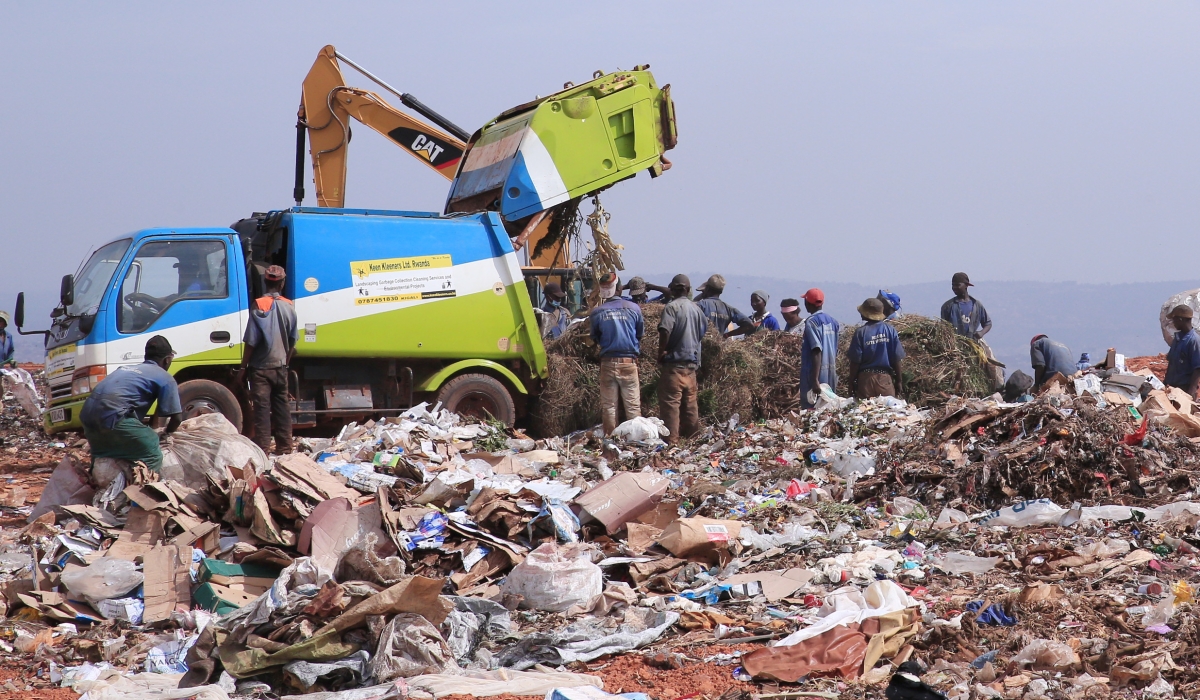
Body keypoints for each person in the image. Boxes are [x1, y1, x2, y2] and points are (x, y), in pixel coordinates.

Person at [79, 335, 181, 471]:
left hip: (87, 417)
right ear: (167, 360)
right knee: (152, 453)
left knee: (103, 455)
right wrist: (166, 434)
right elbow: (176, 418)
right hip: (113, 417)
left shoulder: (124, 369)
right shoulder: (165, 378)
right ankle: (140, 490)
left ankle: (97, 486)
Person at [237, 265, 298, 454]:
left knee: (262, 410)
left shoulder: (259, 305)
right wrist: (285, 362)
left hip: (260, 369)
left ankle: (263, 450)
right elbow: (293, 342)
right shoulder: (289, 306)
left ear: (265, 281)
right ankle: (285, 448)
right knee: (282, 409)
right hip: (280, 367)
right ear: (282, 283)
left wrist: (242, 368)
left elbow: (251, 342)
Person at [590, 273, 645, 435]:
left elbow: (595, 337)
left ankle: (611, 440)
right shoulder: (634, 308)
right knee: (633, 406)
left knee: (609, 406)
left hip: (607, 363)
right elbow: (639, 334)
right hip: (629, 362)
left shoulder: (597, 312)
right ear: (619, 289)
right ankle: (634, 441)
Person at [658, 274, 708, 445]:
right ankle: (694, 441)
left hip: (674, 366)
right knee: (690, 405)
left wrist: (662, 352)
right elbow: (701, 334)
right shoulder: (697, 310)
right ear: (688, 290)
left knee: (671, 405)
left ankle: (671, 443)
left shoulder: (671, 308)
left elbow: (665, 330)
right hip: (691, 366)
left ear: (672, 289)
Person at [939, 272, 1002, 388]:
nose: (954, 288)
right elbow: (943, 328)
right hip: (954, 348)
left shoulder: (977, 305)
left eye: (957, 285)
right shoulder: (947, 307)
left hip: (974, 346)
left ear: (966, 285)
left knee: (992, 369)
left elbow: (988, 323)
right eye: (953, 285)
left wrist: (981, 333)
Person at [847, 298, 906, 399]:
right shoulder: (890, 331)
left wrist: (851, 382)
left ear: (866, 313)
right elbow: (896, 359)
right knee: (889, 412)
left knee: (865, 411)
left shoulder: (860, 333)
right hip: (885, 380)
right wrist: (899, 381)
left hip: (865, 381)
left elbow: (855, 362)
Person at [800, 288, 840, 408]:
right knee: (828, 409)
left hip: (814, 373)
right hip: (831, 372)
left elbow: (816, 350)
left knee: (812, 411)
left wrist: (815, 380)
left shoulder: (811, 322)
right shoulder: (833, 322)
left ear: (807, 303)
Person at [1165, 305, 1200, 397]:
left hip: (1183, 390)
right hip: (1171, 388)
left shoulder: (1194, 341)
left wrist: (1190, 393)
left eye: (1174, 319)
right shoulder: (1177, 339)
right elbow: (1171, 363)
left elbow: (1197, 368)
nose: (1173, 322)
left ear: (1180, 319)